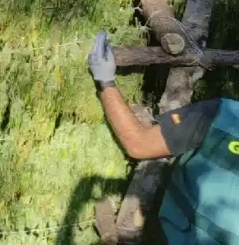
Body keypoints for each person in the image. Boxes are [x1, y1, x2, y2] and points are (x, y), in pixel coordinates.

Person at [88, 31, 239, 244]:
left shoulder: (222, 115)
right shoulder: (221, 116)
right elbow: (139, 144)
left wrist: (105, 81)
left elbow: (139, 144)